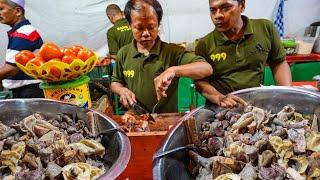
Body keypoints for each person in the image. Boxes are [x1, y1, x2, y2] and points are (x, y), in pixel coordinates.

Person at [111, 0, 213, 113]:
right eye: (139, 28)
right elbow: (115, 82)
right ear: (130, 25)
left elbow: (206, 68)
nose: (146, 33)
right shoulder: (123, 53)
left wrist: (174, 70)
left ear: (158, 24)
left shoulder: (172, 52)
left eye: (151, 27)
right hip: (137, 118)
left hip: (167, 119)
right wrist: (121, 90)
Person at [195, 0, 292, 108]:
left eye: (226, 8)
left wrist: (287, 96)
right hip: (220, 109)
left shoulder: (265, 29)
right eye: (213, 10)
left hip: (255, 106)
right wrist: (220, 98)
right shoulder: (204, 44)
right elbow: (200, 82)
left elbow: (279, 63)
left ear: (242, 5)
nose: (217, 15)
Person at [0, 0, 44, 98]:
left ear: (18, 11)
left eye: (1, 9)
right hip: (26, 91)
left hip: (30, 91)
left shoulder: (24, 33)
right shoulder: (21, 32)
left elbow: (11, 69)